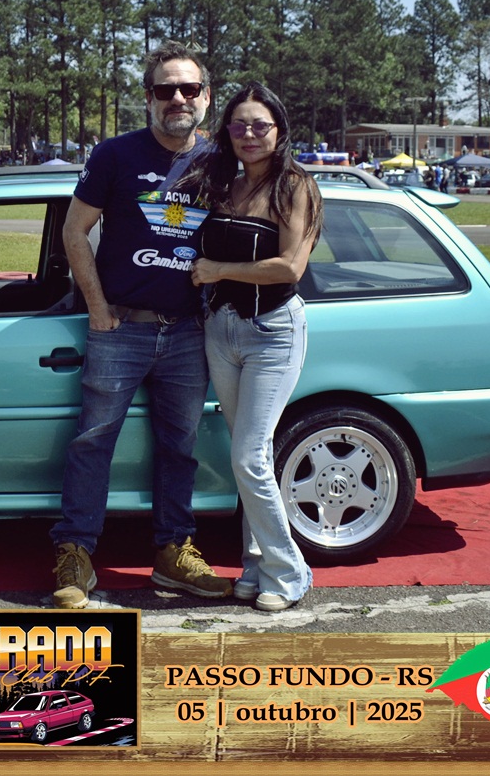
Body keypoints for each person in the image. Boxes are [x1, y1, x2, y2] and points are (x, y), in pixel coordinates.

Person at [50, 41, 232, 609]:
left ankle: (174, 552)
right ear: (148, 97)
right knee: (92, 441)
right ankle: (76, 553)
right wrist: (97, 307)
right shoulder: (115, 155)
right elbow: (75, 231)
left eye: (189, 88)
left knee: (180, 446)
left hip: (189, 331)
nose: (178, 98)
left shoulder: (221, 161)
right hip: (120, 329)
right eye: (165, 89)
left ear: (206, 96)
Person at [186, 82, 322, 612]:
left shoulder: (296, 186)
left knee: (247, 456)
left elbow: (290, 267)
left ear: (279, 130)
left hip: (272, 332)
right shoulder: (226, 184)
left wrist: (217, 270)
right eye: (238, 125)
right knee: (252, 458)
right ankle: (254, 566)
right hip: (221, 330)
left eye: (259, 125)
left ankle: (289, 572)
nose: (248, 134)